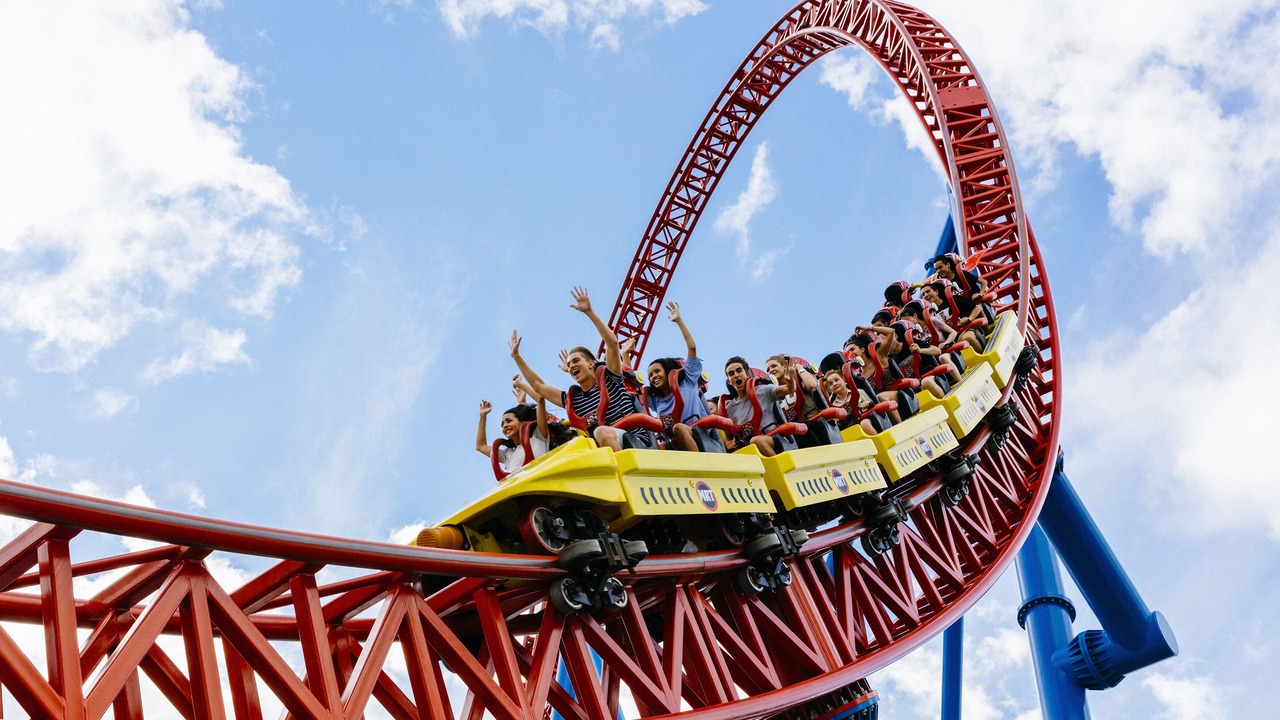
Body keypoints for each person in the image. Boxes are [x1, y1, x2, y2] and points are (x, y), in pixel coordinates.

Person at [510, 287, 652, 451]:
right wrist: (516, 357)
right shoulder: (574, 400)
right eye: (569, 365)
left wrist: (589, 312)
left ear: (591, 363)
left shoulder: (610, 379)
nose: (571, 366)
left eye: (576, 361)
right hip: (602, 449)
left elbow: (612, 344)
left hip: (635, 443)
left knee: (601, 432)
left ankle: (624, 472)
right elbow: (538, 386)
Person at [644, 302, 708, 451]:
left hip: (699, 433)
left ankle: (699, 467)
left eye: (657, 371)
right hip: (674, 442)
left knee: (679, 428)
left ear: (667, 371)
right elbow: (635, 389)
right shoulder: (657, 400)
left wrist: (679, 321)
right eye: (651, 375)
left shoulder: (688, 382)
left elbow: (692, 348)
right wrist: (626, 355)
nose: (654, 376)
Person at [722, 356, 795, 457]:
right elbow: (729, 436)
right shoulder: (729, 408)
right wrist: (727, 442)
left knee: (756, 441)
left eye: (739, 371)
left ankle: (778, 468)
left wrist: (790, 379)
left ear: (747, 375)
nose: (736, 375)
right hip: (751, 449)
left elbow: (789, 389)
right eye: (731, 374)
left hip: (775, 439)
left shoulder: (763, 390)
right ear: (729, 381)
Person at [475, 399, 548, 474]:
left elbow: (540, 401)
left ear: (523, 423)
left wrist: (522, 401)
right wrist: (483, 416)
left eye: (509, 421)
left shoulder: (538, 437)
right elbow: (481, 446)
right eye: (502, 424)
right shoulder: (508, 454)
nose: (505, 426)